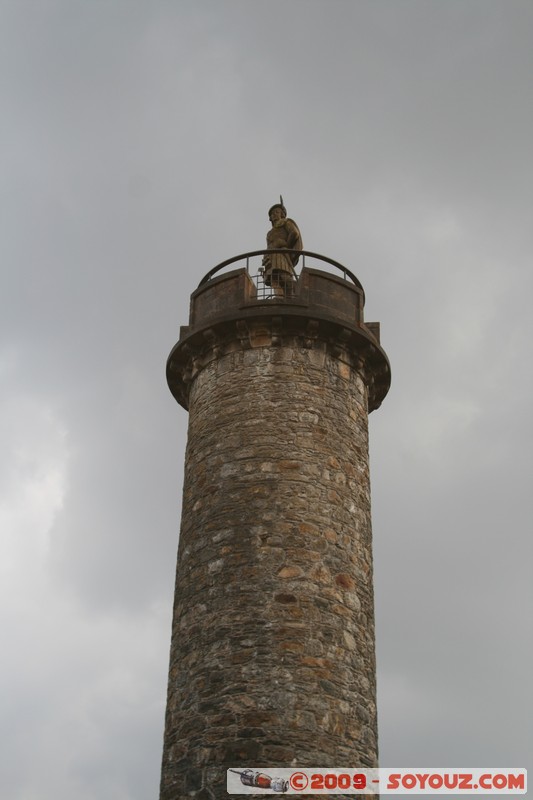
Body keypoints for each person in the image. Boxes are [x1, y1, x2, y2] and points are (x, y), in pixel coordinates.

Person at [261, 198, 303, 297]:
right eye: (272, 214)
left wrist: (286, 244)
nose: (274, 214)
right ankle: (279, 297)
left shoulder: (286, 222)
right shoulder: (270, 233)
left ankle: (291, 296)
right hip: (271, 256)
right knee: (273, 279)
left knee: (285, 276)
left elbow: (294, 233)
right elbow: (268, 246)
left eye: (276, 212)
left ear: (282, 214)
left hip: (282, 255)